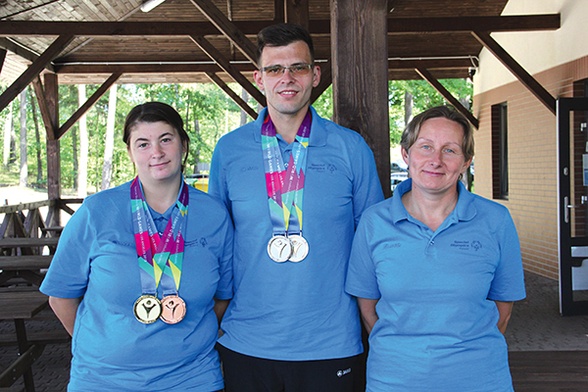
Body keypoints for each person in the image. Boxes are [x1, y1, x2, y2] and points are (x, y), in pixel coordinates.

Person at [208, 23, 384, 392]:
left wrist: (376, 324)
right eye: (274, 69)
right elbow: (217, 243)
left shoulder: (351, 149)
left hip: (332, 343)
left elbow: (375, 245)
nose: (286, 78)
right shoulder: (229, 150)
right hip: (247, 341)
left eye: (298, 67)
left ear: (315, 75)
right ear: (259, 78)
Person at [40, 102, 233, 391]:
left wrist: (189, 339)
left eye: (165, 139)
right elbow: (61, 297)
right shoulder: (97, 211)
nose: (156, 152)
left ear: (183, 144)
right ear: (130, 152)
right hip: (103, 380)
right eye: (143, 143)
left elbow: (223, 297)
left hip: (192, 378)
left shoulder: (214, 214)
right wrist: (101, 349)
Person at [345, 105, 526, 391]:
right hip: (394, 381)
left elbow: (503, 310)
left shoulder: (495, 220)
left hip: (480, 380)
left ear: (466, 161)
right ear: (406, 154)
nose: (436, 160)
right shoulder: (374, 222)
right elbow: (368, 310)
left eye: (450, 150)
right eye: (425, 147)